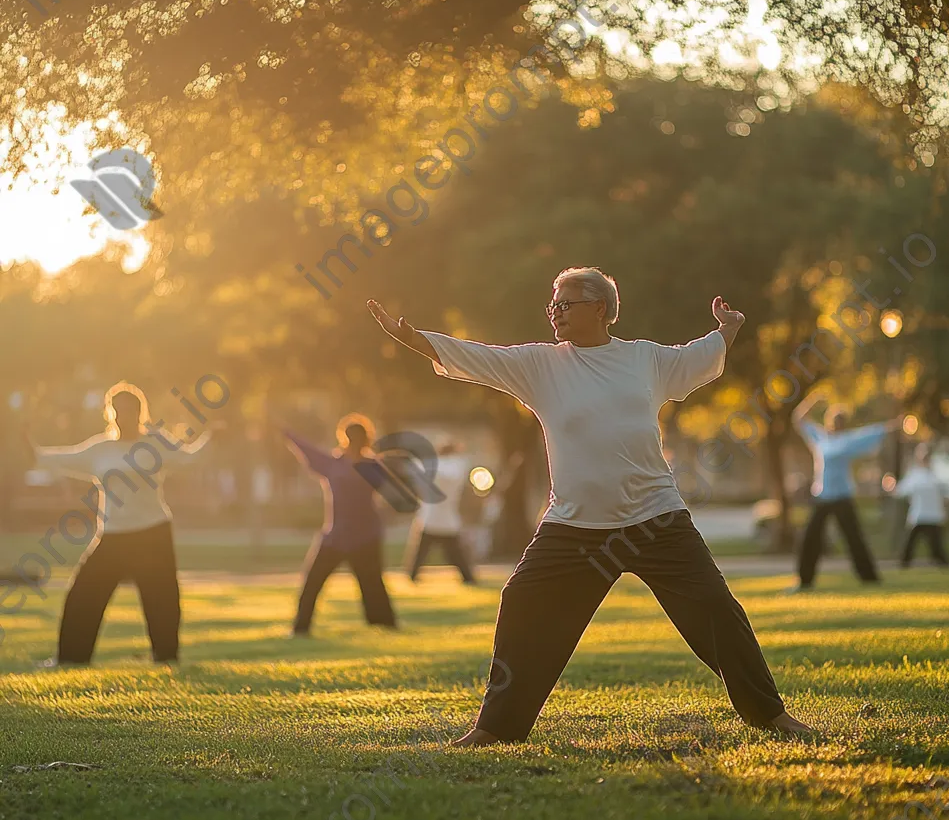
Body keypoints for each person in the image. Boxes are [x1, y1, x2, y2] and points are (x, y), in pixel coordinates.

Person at [367, 266, 813, 746]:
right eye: (552, 305)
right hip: (574, 526)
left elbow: (698, 356)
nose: (554, 313)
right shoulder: (541, 365)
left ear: (599, 308)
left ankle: (769, 715)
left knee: (717, 611)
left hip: (654, 518)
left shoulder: (645, 359)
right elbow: (476, 357)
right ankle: (496, 728)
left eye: (565, 304)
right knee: (522, 604)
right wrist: (411, 338)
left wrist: (728, 329)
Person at [26, 383, 213, 667]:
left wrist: (214, 437)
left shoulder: (156, 443)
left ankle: (166, 658)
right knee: (82, 596)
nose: (124, 415)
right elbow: (60, 458)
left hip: (153, 533)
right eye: (119, 409)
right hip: (113, 536)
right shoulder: (100, 449)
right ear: (111, 412)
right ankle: (71, 658)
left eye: (131, 409)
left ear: (140, 412)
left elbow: (190, 458)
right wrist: (28, 444)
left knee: (162, 600)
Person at [282, 414, 397, 635]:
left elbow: (307, 449)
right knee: (372, 585)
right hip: (358, 536)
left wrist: (287, 432)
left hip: (347, 536)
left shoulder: (338, 464)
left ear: (344, 437)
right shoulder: (369, 466)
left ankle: (301, 628)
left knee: (315, 585)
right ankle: (384, 624)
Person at [790, 387, 897, 592]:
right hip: (823, 497)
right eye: (835, 421)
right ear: (830, 422)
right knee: (811, 538)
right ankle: (804, 581)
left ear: (843, 424)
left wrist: (893, 426)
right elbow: (798, 419)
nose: (837, 425)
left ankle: (870, 577)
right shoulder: (820, 439)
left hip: (842, 497)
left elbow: (871, 433)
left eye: (841, 422)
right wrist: (813, 399)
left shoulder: (848, 441)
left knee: (854, 538)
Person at [407, 442, 477, 584]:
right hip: (447, 519)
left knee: (421, 553)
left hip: (430, 518)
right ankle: (468, 578)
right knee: (456, 554)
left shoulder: (433, 467)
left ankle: (412, 575)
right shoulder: (456, 469)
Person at [893, 444, 949, 568]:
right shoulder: (915, 475)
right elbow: (901, 491)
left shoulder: (935, 475)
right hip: (919, 516)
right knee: (910, 545)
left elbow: (945, 494)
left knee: (936, 546)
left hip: (934, 516)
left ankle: (943, 563)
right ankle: (904, 564)